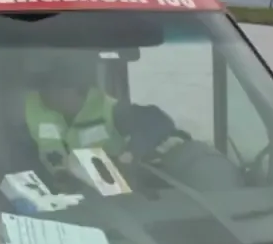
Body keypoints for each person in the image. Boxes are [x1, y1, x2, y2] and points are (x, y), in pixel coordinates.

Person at [23, 52, 184, 181]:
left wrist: (130, 154)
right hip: (58, 195)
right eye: (45, 88)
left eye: (55, 88)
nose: (46, 94)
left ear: (76, 90)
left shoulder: (111, 110)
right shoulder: (35, 110)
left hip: (109, 196)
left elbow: (158, 121)